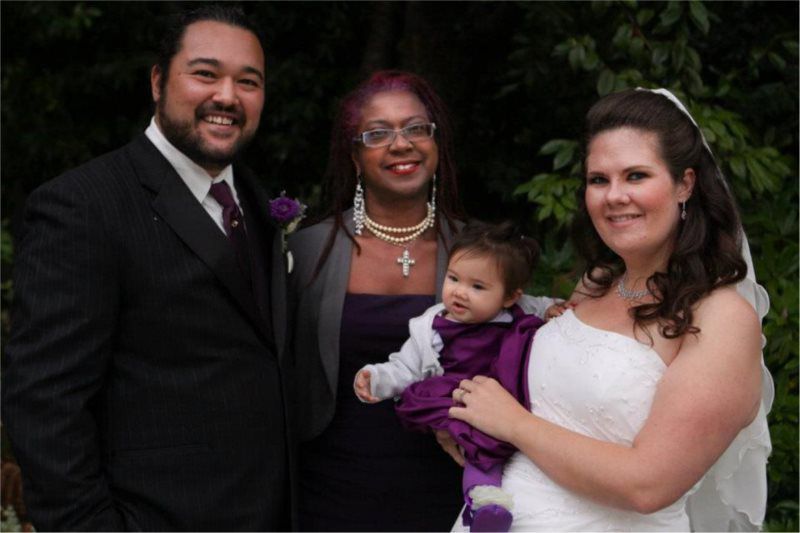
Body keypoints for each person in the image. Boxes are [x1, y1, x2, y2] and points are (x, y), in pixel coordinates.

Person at [2, 6, 293, 531]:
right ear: (159, 81)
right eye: (205, 74)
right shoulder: (82, 206)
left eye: (248, 81)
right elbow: (45, 404)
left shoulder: (256, 202)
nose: (227, 96)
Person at [449, 88, 773, 531]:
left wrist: (510, 424)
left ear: (685, 184)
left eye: (636, 176)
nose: (614, 196)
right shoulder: (597, 284)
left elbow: (648, 485)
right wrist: (469, 422)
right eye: (599, 180)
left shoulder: (723, 318)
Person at [288, 70, 467, 531]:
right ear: (354, 154)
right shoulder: (306, 251)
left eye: (416, 128)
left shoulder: (478, 251)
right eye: (378, 133)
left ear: (436, 142)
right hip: (329, 492)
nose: (401, 143)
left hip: (448, 491)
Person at [354, 221, 568, 532]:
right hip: (459, 398)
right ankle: (486, 506)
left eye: (477, 287)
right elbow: (405, 367)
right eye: (453, 278)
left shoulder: (518, 312)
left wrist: (554, 310)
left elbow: (543, 305)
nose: (460, 292)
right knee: (478, 448)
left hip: (509, 398)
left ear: (510, 297)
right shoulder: (433, 328)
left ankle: (492, 501)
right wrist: (376, 378)